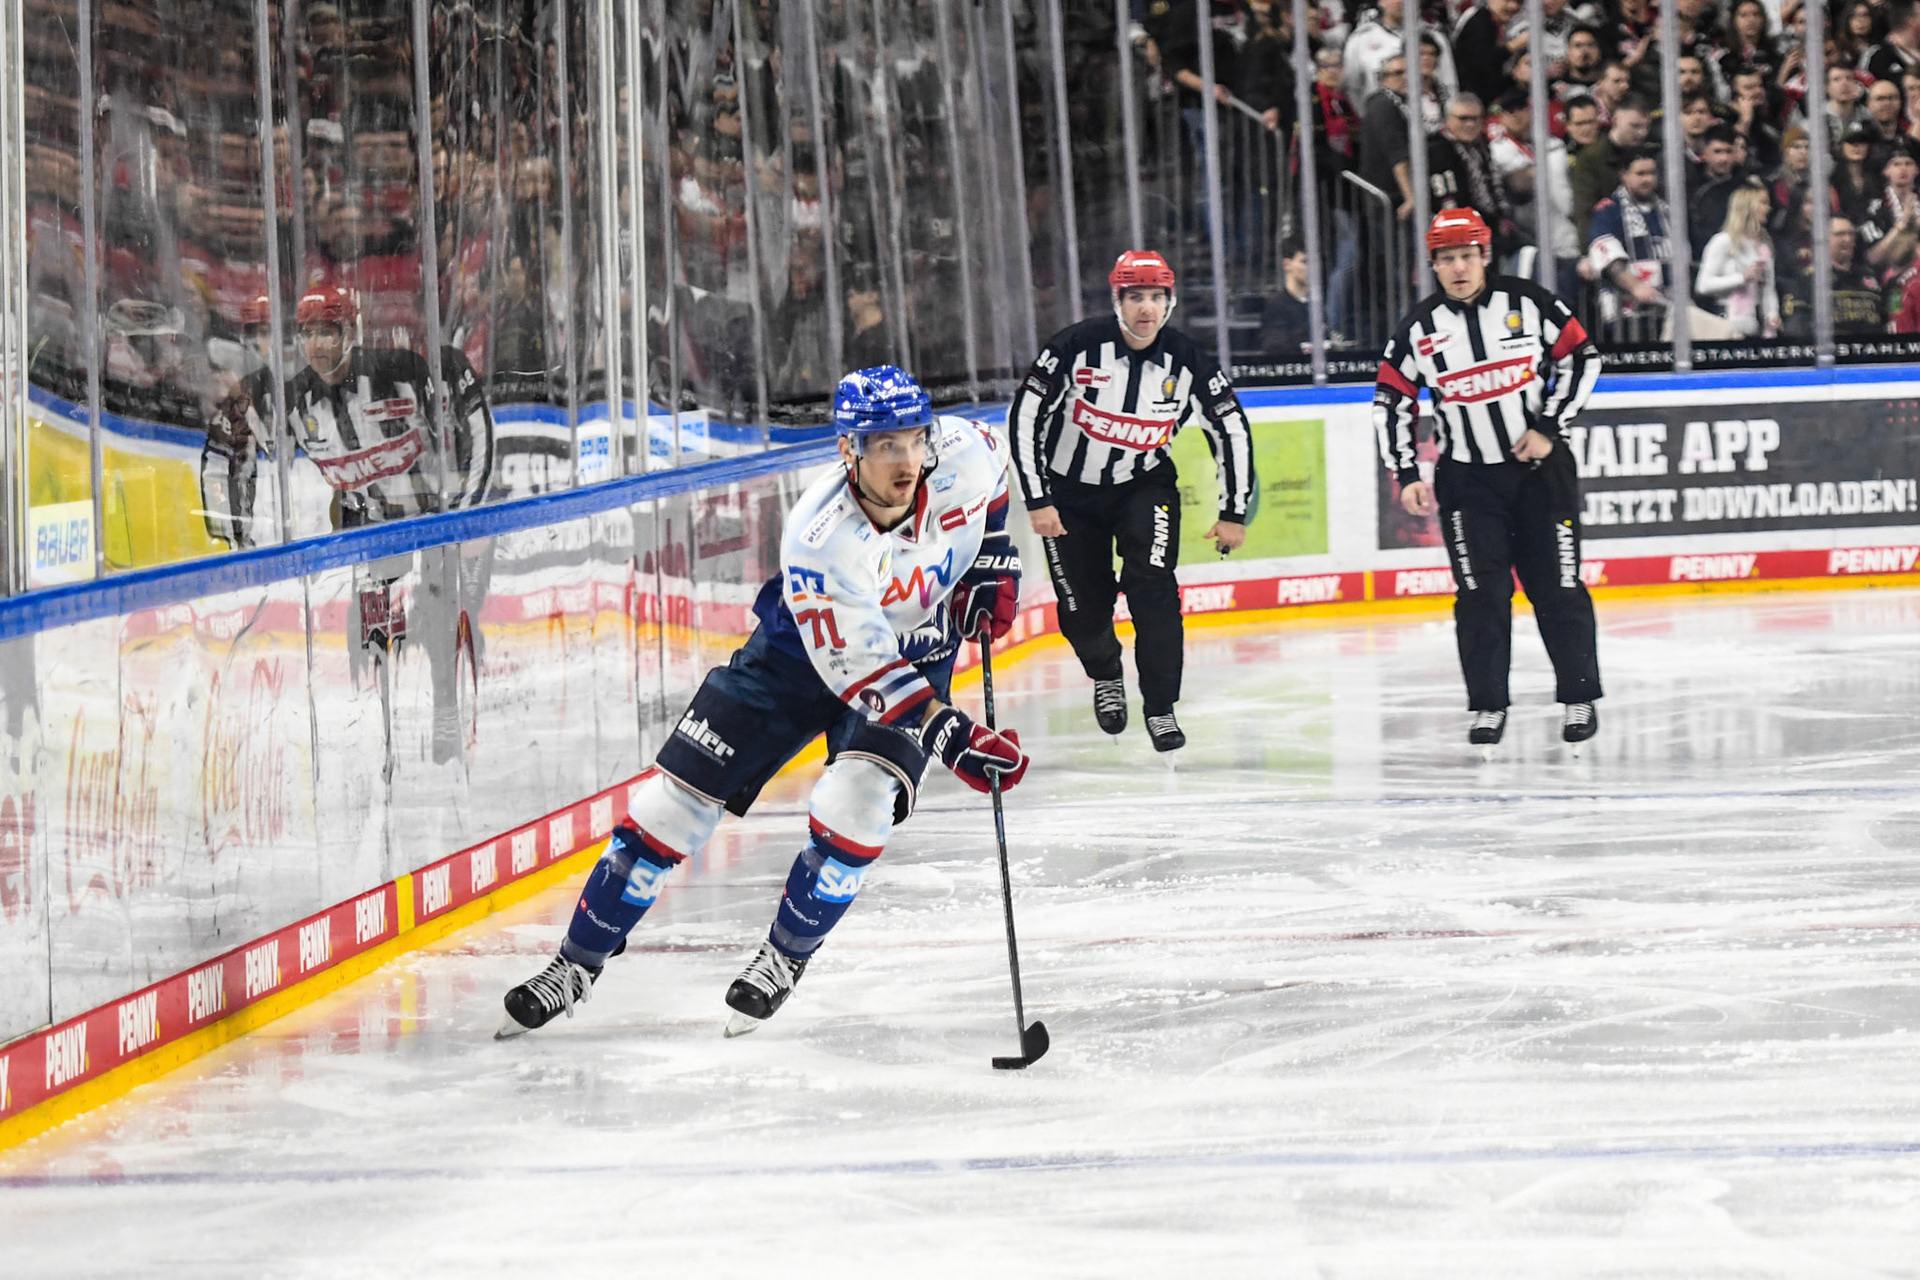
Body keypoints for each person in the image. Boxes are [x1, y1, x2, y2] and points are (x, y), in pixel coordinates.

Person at [496, 367, 1030, 1039]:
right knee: (669, 808)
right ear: (848, 450)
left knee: (857, 808)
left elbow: (998, 475)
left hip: (918, 648)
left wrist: (994, 556)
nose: (905, 459)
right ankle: (576, 964)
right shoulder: (819, 537)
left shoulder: (962, 452)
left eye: (912, 440)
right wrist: (946, 731)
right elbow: (864, 668)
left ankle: (783, 957)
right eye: (884, 444)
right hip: (797, 652)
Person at [1374, 208, 1603, 749]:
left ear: (1484, 257)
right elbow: (1391, 401)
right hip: (1468, 483)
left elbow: (1583, 358)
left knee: (1560, 586)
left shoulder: (1529, 303)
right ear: (1433, 265)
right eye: (1446, 259)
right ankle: (1487, 707)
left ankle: (1578, 695)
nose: (1457, 268)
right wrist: (1405, 471)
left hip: (1540, 474)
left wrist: (1549, 425)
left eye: (1466, 256)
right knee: (1480, 594)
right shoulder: (1419, 329)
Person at [1008, 251, 1254, 752]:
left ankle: (1161, 706)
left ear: (1171, 301)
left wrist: (1233, 510)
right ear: (1116, 299)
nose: (1147, 308)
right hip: (1069, 495)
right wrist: (1037, 498)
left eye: (1157, 296)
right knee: (1082, 609)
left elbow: (1230, 428)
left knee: (1155, 590)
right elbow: (1026, 415)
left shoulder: (1188, 360)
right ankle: (1105, 674)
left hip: (1146, 486)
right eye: (1135, 296)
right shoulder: (1075, 347)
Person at [1588, 149, 1673, 342]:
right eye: (1640, 174)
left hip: (1667, 310)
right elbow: (1607, 257)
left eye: (1652, 173)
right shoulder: (1609, 211)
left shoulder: (1667, 210)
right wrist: (1636, 287)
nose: (1648, 179)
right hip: (1626, 314)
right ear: (1624, 175)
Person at [1695, 182, 1780, 338]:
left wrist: (1772, 315)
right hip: (1726, 325)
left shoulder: (1763, 245)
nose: (1768, 208)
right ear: (1747, 206)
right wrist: (1742, 278)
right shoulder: (1723, 241)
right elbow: (1703, 285)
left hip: (1755, 326)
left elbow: (1768, 288)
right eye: (1763, 203)